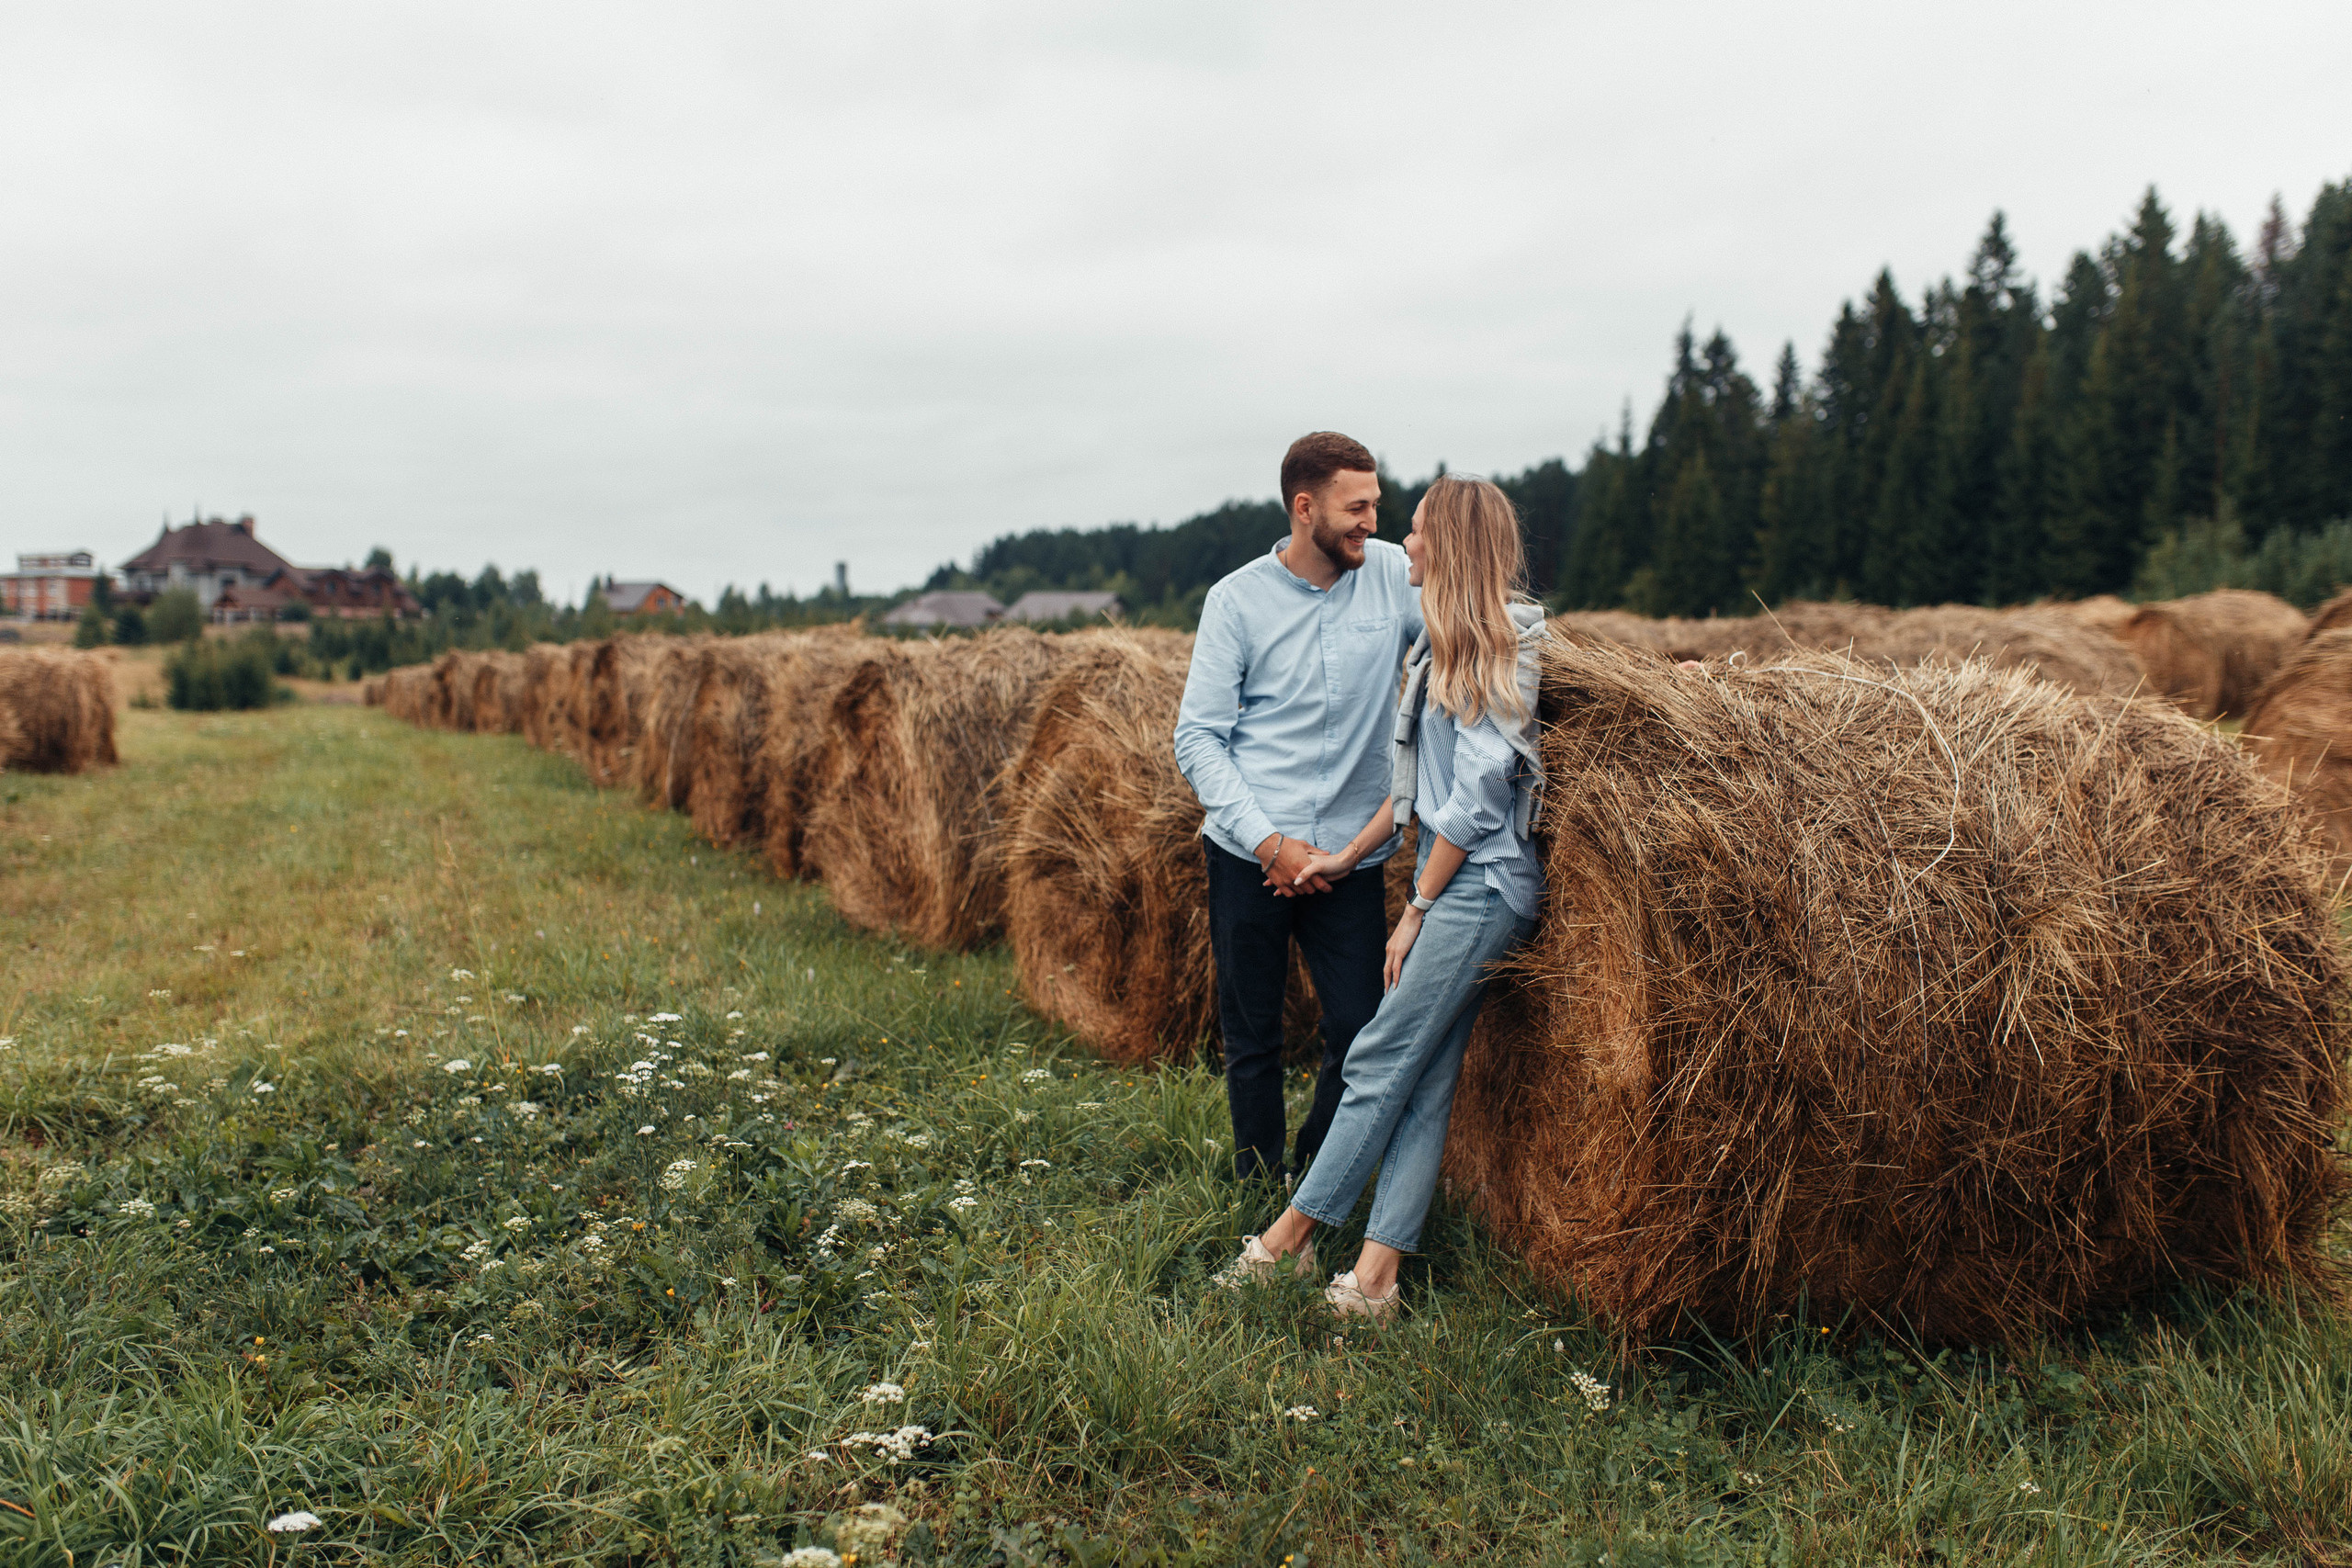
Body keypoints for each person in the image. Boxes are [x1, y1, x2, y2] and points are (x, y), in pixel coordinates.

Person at [1216, 473, 1545, 1318]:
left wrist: (1415, 911)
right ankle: (1376, 1276)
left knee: (1375, 1055)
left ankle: (1288, 1238)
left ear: (1455, 545)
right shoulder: (1444, 640)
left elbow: (1475, 800)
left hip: (1481, 886)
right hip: (1461, 879)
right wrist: (1340, 856)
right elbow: (1413, 797)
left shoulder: (1499, 642)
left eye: (1421, 528)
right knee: (1425, 1077)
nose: (1408, 540)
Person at [1173, 431, 1422, 1189]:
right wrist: (1267, 841)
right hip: (1251, 853)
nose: (1372, 522)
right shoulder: (1236, 600)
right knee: (1253, 1034)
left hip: (1351, 856)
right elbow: (1198, 738)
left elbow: (1471, 634)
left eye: (1376, 505)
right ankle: (1256, 1182)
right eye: (1357, 507)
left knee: (1357, 1030)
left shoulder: (1390, 577)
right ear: (1304, 507)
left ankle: (1312, 1177)